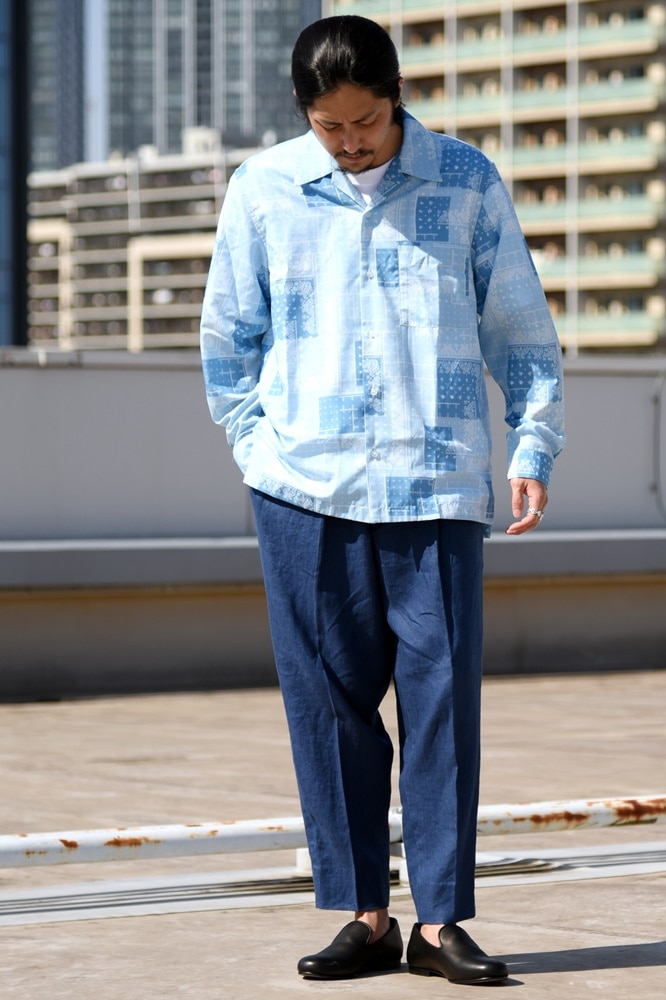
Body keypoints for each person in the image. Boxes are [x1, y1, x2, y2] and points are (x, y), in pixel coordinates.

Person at [200, 14, 565, 985]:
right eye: (329, 126)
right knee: (329, 708)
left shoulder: (465, 180)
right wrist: (258, 449)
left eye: (365, 121)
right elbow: (228, 338)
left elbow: (520, 325)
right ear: (304, 113)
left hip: (435, 482)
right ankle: (366, 914)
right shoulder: (264, 189)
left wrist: (533, 442)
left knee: (442, 706)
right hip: (303, 489)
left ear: (397, 96)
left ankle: (439, 923)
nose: (351, 141)